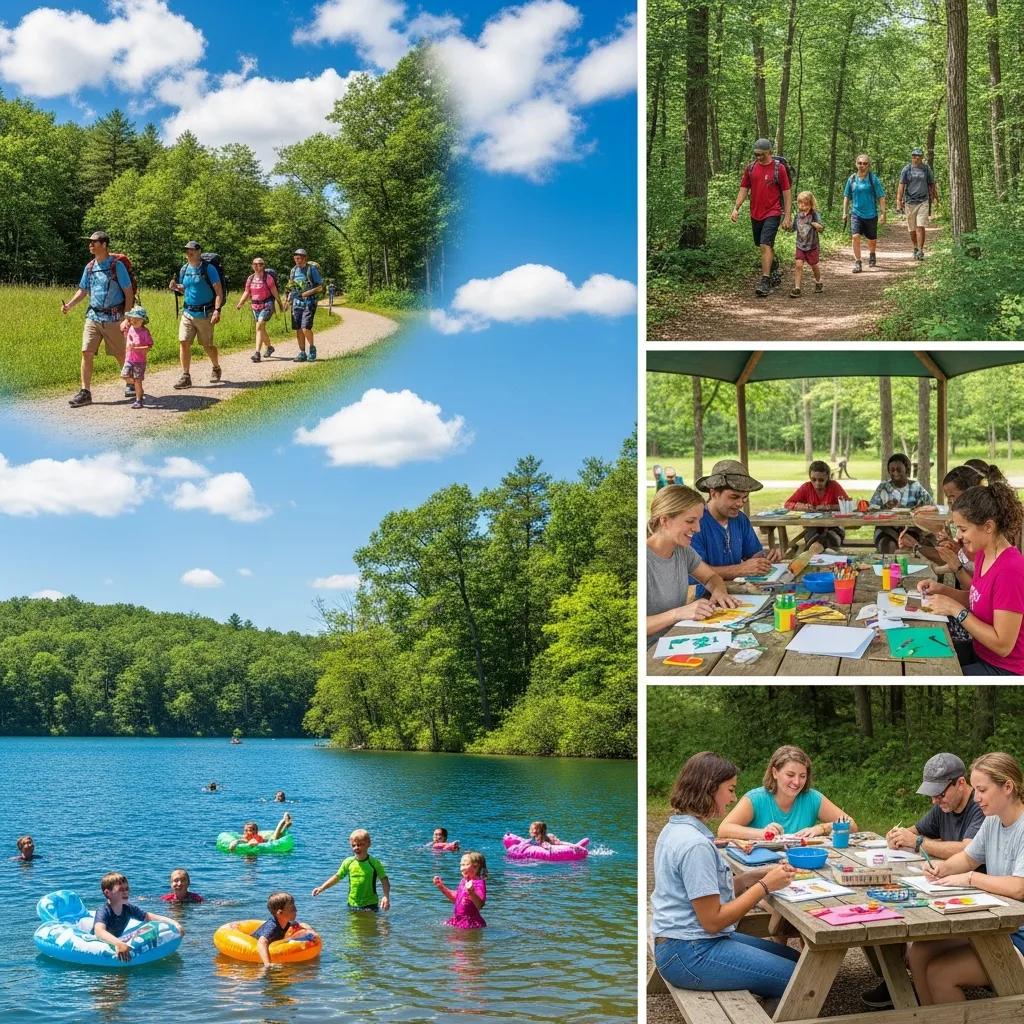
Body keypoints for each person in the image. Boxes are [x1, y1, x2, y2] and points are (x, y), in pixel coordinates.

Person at [651, 751, 800, 999]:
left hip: (685, 944)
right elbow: (713, 921)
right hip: (690, 952)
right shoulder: (694, 844)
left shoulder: (676, 827)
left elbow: (703, 890)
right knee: (799, 979)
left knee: (796, 960)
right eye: (730, 790)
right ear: (709, 789)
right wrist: (764, 886)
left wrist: (753, 877)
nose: (733, 798)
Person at [909, 752, 1024, 1004]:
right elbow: (968, 858)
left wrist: (971, 879)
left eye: (982, 790)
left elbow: (1019, 888)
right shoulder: (993, 821)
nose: (977, 797)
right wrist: (942, 869)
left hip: (1018, 934)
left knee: (940, 974)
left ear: (1007, 787)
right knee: (918, 952)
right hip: (996, 927)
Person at [916, 482, 1024, 675]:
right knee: (919, 658)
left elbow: (1003, 645)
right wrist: (941, 590)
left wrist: (954, 609)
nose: (958, 536)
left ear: (988, 526)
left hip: (1004, 669)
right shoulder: (984, 553)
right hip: (980, 652)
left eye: (963, 529)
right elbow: (977, 599)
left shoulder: (1011, 571)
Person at [646, 484, 741, 643]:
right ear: (665, 521)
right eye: (690, 521)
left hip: (677, 638)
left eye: (699, 521)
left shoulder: (682, 550)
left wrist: (719, 591)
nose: (697, 529)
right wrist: (678, 614)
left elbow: (710, 577)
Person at [717, 745, 857, 841]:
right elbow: (723, 829)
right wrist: (763, 833)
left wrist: (822, 828)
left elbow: (851, 825)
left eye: (802, 776)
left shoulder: (812, 798)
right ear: (775, 772)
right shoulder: (755, 799)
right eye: (790, 775)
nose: (796, 782)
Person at [62, 230, 135, 408]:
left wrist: (126, 318)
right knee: (86, 352)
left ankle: (131, 383)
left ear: (104, 245)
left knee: (119, 354)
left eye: (94, 242)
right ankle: (85, 392)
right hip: (93, 317)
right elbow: (83, 290)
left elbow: (128, 292)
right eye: (90, 242)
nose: (90, 245)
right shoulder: (90, 267)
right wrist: (69, 305)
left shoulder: (116, 266)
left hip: (114, 318)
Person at [690, 462, 783, 586]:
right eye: (734, 497)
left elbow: (752, 555)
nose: (740, 503)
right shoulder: (695, 523)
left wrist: (766, 557)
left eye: (745, 497)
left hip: (737, 592)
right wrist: (738, 570)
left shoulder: (740, 519)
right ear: (713, 493)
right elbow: (692, 572)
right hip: (703, 597)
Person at [730, 139, 792, 298]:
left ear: (769, 152)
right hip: (755, 213)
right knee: (762, 244)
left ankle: (765, 280)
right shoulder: (750, 169)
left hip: (773, 212)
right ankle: (774, 264)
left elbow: (787, 193)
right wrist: (736, 208)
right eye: (755, 154)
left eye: (761, 154)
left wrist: (787, 216)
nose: (758, 157)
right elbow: (744, 189)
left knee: (765, 243)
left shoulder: (780, 169)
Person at [168, 241, 223, 389]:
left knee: (207, 346)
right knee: (184, 342)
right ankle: (186, 376)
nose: (189, 252)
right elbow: (185, 289)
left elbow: (219, 292)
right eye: (187, 250)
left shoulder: (209, 269)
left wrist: (217, 310)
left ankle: (216, 367)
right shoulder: (184, 269)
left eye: (192, 250)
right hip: (187, 313)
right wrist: (176, 287)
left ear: (199, 251)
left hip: (205, 313)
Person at [93, 871, 182, 962]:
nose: (125, 892)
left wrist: (174, 923)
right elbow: (99, 931)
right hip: (102, 943)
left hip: (119, 939)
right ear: (108, 893)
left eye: (127, 889)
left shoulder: (128, 908)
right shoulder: (104, 910)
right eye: (121, 890)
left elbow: (148, 917)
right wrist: (119, 944)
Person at [312, 828, 391, 911]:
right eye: (353, 845)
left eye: (360, 844)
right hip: (352, 904)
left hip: (371, 904)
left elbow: (384, 879)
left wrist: (386, 896)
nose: (356, 847)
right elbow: (337, 877)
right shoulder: (348, 862)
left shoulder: (374, 863)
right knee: (354, 924)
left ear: (368, 844)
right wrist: (321, 888)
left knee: (372, 923)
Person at [868, 453, 933, 554]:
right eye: (892, 470)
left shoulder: (916, 487)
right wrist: (884, 507)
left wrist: (909, 508)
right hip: (886, 529)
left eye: (899, 469)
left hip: (910, 529)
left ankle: (908, 568)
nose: (895, 472)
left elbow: (930, 506)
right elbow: (872, 508)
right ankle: (888, 569)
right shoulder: (883, 487)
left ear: (906, 469)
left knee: (912, 544)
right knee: (888, 545)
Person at [784, 461, 850, 550]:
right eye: (813, 479)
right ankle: (816, 550)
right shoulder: (806, 487)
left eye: (821, 480)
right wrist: (802, 506)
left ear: (828, 477)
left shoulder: (834, 486)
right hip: (813, 526)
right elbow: (788, 504)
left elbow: (847, 504)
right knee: (812, 540)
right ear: (810, 477)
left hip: (834, 526)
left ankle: (816, 550)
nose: (817, 483)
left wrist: (828, 507)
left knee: (832, 539)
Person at [842, 153, 887, 273]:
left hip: (871, 214)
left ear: (869, 165)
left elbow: (881, 197)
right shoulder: (851, 179)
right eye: (860, 163)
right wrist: (844, 212)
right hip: (856, 213)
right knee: (855, 236)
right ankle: (858, 262)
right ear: (856, 164)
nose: (862, 165)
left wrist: (883, 214)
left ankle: (872, 254)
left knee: (871, 239)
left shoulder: (873, 179)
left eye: (865, 163)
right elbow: (847, 196)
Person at [237, 257, 284, 363]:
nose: (257, 266)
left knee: (259, 326)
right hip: (255, 306)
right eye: (255, 264)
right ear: (252, 265)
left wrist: (280, 304)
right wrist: (240, 303)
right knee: (261, 328)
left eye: (260, 264)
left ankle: (257, 353)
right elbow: (247, 292)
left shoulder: (268, 278)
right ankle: (269, 347)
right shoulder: (250, 278)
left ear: (264, 266)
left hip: (267, 305)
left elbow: (274, 291)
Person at [896, 148, 939, 261]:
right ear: (912, 157)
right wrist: (898, 201)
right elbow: (901, 185)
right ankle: (915, 247)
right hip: (910, 202)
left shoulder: (926, 169)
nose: (916, 158)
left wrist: (935, 197)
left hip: (923, 201)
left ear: (922, 157)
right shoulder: (907, 169)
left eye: (919, 156)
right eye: (914, 156)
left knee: (920, 226)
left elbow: (931, 183)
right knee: (912, 229)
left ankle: (920, 250)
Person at [433, 851, 487, 929]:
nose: (462, 868)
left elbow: (479, 905)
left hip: (470, 924)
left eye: (466, 865)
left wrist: (471, 892)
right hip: (458, 920)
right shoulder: (464, 880)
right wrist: (441, 887)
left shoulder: (479, 883)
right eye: (461, 865)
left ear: (476, 866)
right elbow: (456, 899)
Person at [286, 249, 323, 362]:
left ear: (304, 258)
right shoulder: (293, 271)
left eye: (299, 258)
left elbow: (320, 287)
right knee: (298, 329)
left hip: (309, 302)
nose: (297, 260)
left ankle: (312, 349)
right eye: (295, 258)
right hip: (296, 304)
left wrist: (306, 293)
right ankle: (302, 353)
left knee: (305, 327)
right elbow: (291, 288)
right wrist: (287, 301)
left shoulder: (311, 269)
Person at [253, 892, 305, 967]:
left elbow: (297, 927)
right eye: (292, 909)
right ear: (280, 913)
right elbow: (262, 942)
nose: (296, 910)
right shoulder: (272, 926)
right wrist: (267, 964)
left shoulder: (287, 923)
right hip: (253, 944)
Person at [787, 190, 824, 297]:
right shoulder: (798, 216)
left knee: (814, 265)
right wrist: (787, 226)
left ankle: (818, 281)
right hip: (800, 245)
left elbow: (821, 228)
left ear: (811, 204)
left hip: (812, 245)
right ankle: (797, 288)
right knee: (798, 265)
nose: (803, 206)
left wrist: (818, 226)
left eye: (806, 203)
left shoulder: (815, 215)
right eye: (800, 203)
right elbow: (793, 228)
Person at [119, 304, 153, 409]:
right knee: (124, 375)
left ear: (143, 320)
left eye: (137, 319)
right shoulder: (130, 329)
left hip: (139, 361)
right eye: (133, 318)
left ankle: (139, 400)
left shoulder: (144, 332)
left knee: (138, 381)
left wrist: (139, 348)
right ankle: (138, 388)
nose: (134, 321)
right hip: (129, 359)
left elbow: (149, 345)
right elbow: (127, 337)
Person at [228, 812, 292, 851]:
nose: (248, 832)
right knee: (279, 835)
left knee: (276, 836)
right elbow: (242, 840)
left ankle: (283, 820)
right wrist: (235, 842)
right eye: (246, 830)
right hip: (265, 840)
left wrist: (237, 842)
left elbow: (253, 842)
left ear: (256, 832)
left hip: (269, 841)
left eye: (250, 830)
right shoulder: (245, 837)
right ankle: (286, 825)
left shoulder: (256, 837)